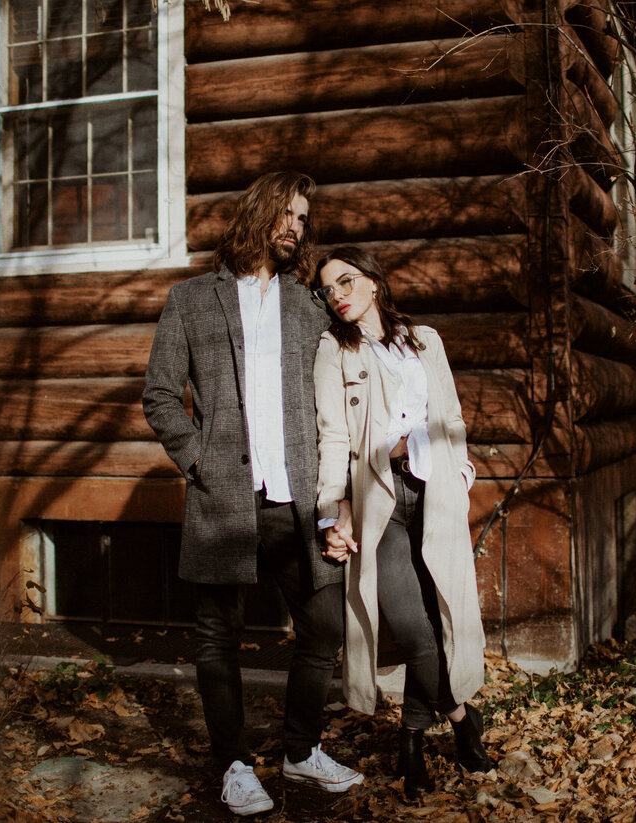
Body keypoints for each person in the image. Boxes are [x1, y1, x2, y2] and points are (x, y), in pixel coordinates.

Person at [142, 172, 363, 816]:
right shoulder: (190, 300)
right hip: (224, 500)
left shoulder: (308, 305)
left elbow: (342, 383)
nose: (296, 227)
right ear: (258, 214)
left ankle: (300, 751)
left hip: (299, 502)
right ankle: (234, 765)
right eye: (287, 215)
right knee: (217, 637)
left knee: (323, 625)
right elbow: (160, 393)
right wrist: (198, 458)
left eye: (303, 218)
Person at [311, 245, 492, 799]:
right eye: (327, 290)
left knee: (440, 618)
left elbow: (451, 415)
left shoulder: (424, 340)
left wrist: (460, 471)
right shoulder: (333, 350)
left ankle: (411, 742)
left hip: (433, 493)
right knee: (414, 629)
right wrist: (329, 509)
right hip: (380, 502)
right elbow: (334, 435)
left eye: (345, 282)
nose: (336, 296)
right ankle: (461, 719)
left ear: (372, 280)